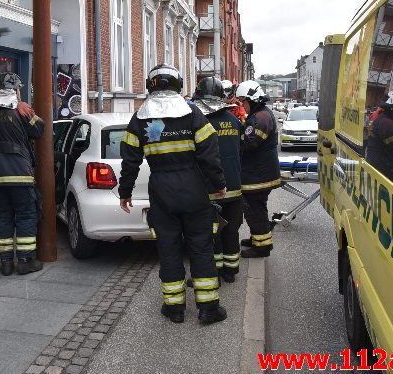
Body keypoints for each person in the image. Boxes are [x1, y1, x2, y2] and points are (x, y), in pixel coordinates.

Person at [119, 64, 228, 324]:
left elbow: (129, 159)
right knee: (201, 247)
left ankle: (174, 308)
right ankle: (209, 308)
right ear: (178, 84)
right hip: (194, 189)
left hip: (161, 192)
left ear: (150, 85)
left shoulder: (139, 118)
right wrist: (218, 184)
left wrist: (125, 192)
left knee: (168, 249)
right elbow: (209, 153)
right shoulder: (192, 113)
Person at [0, 72, 45, 277]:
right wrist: (29, 111)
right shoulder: (21, 110)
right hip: (19, 174)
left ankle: (5, 263)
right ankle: (25, 260)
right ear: (15, 90)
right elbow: (40, 130)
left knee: (2, 216)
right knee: (26, 215)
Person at [193, 77, 244, 282]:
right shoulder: (235, 121)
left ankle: (213, 272)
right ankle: (230, 272)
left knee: (211, 234)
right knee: (231, 231)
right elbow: (240, 152)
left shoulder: (200, 124)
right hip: (234, 189)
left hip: (210, 189)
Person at [235, 80, 280, 258]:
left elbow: (249, 143)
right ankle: (257, 239)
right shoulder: (260, 114)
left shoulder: (260, 118)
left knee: (255, 210)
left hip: (259, 176)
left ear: (252, 100)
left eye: (243, 101)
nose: (242, 105)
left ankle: (262, 247)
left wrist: (234, 139)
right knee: (254, 208)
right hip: (258, 173)